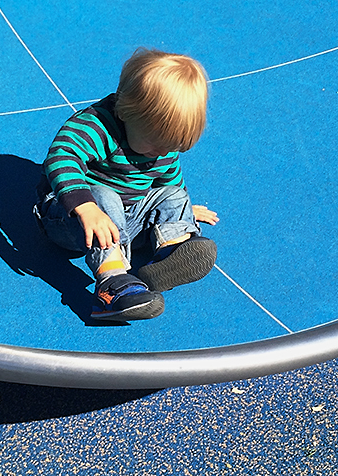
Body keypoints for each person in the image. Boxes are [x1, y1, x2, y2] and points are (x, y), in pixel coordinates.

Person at [34, 48, 219, 321]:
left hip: (125, 219)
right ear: (124, 111)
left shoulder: (160, 146)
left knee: (175, 195)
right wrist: (85, 208)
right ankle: (112, 284)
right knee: (105, 197)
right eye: (155, 144)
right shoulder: (97, 125)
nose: (159, 153)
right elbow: (62, 156)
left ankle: (169, 251)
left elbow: (168, 180)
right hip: (73, 219)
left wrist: (185, 209)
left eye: (170, 147)